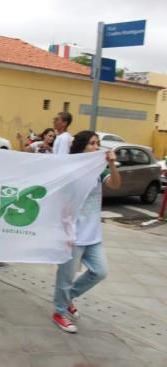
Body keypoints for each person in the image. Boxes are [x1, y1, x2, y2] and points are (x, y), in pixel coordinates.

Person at [52, 130, 121, 333]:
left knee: (100, 272)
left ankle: (67, 298)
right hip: (72, 234)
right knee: (65, 277)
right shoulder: (70, 169)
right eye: (91, 143)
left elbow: (116, 185)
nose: (96, 147)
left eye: (97, 143)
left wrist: (111, 165)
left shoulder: (99, 170)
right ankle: (59, 311)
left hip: (93, 235)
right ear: (81, 146)